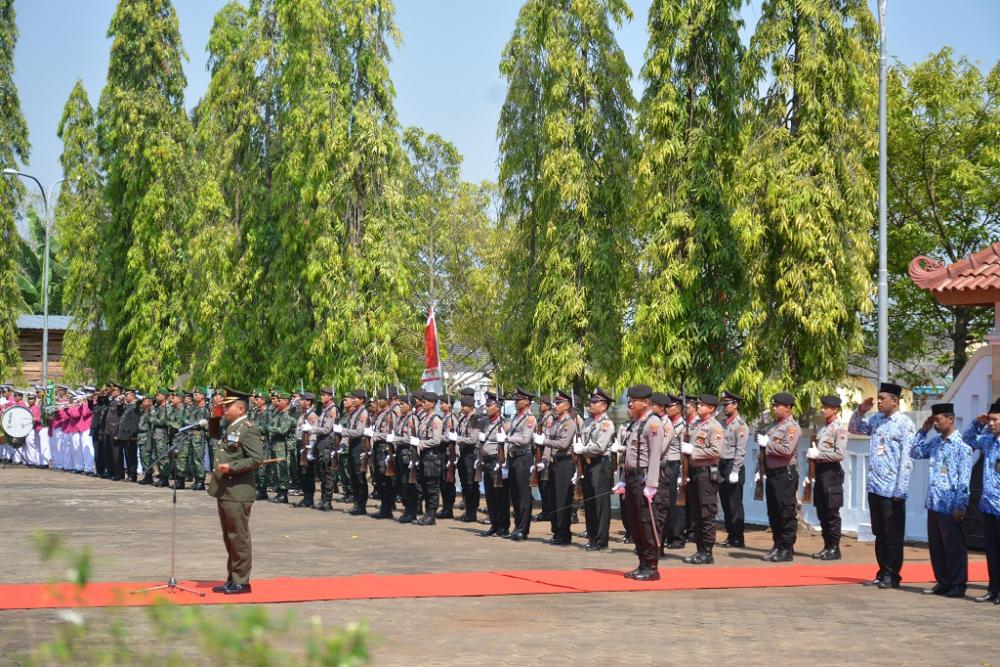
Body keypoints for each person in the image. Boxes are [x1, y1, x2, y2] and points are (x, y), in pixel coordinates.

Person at [849, 381, 916, 589]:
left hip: (892, 489)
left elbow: (907, 459)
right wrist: (860, 411)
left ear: (894, 401)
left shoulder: (905, 425)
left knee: (892, 534)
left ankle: (892, 575)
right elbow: (854, 428)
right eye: (878, 398)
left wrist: (900, 489)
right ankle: (881, 572)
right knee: (879, 533)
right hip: (875, 487)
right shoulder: (876, 420)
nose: (878, 402)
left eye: (882, 399)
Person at [910, 403, 973, 598]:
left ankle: (957, 584)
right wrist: (924, 430)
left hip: (951, 505)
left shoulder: (962, 446)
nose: (936, 423)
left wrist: (960, 505)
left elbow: (964, 479)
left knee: (955, 548)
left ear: (950, 419)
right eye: (934, 420)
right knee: (937, 548)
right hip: (934, 503)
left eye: (938, 420)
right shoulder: (936, 443)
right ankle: (943, 582)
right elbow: (915, 452)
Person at [209, 389, 263, 595]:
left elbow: (256, 458)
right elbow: (213, 432)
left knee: (238, 536)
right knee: (229, 536)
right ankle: (232, 578)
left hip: (238, 491)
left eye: (227, 405)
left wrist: (232, 468)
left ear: (240, 408)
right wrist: (215, 411)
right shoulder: (231, 425)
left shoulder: (248, 428)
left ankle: (242, 581)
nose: (224, 408)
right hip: (225, 490)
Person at [616, 385, 663, 580]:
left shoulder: (653, 424)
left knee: (646, 523)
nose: (631, 404)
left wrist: (651, 484)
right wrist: (622, 480)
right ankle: (642, 562)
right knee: (634, 523)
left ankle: (651, 566)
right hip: (633, 477)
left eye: (634, 401)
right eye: (630, 401)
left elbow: (654, 456)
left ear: (645, 402)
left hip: (644, 479)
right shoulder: (635, 423)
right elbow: (629, 456)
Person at [961, 399, 1000, 604]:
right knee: (992, 551)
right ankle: (993, 590)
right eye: (990, 420)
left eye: (994, 420)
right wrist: (978, 423)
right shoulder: (988, 440)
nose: (991, 424)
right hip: (988, 506)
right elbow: (966, 439)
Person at [682, 395, 723, 565]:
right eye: (698, 404)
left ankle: (707, 551)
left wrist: (693, 451)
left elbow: (715, 451)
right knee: (697, 513)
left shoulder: (715, 427)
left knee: (706, 513)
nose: (698, 407)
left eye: (702, 405)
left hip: (706, 474)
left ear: (711, 408)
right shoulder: (696, 425)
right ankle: (699, 549)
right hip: (694, 473)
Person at [808, 395, 849, 560]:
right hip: (821, 472)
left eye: (826, 407)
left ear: (835, 409)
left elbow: (840, 454)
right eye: (822, 406)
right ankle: (827, 546)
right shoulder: (823, 428)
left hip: (832, 473)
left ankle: (835, 548)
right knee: (822, 512)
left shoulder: (839, 429)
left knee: (832, 513)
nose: (822, 409)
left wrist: (820, 454)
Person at [577, 388, 614, 551]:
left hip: (601, 465)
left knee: (600, 504)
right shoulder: (587, 422)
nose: (590, 405)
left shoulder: (607, 424)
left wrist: (582, 449)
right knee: (590, 503)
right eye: (590, 402)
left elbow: (600, 446)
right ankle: (592, 537)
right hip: (588, 464)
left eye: (594, 402)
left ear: (604, 406)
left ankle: (601, 540)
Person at [542, 390, 578, 545]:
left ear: (567, 405)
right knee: (554, 498)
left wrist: (544, 441)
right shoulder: (556, 422)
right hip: (555, 462)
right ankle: (556, 531)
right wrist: (544, 459)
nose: (555, 406)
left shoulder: (570, 423)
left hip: (565, 463)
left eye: (558, 403)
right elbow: (550, 440)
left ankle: (564, 533)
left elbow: (563, 444)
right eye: (555, 403)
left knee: (563, 499)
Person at [505, 387, 537, 540]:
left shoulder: (529, 419)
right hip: (514, 457)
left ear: (527, 402)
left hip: (524, 458)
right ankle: (517, 526)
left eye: (519, 400)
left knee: (524, 495)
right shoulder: (516, 417)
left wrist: (507, 438)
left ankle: (523, 529)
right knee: (515, 494)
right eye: (516, 400)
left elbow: (525, 439)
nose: (516, 402)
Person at [718, 391, 748, 548]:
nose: (724, 407)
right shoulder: (723, 424)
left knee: (734, 504)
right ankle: (730, 535)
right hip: (722, 465)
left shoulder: (740, 426)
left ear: (735, 405)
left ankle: (738, 537)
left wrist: (735, 470)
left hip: (733, 465)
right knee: (725, 503)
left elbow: (740, 450)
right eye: (723, 404)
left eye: (727, 404)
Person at [478, 391, 510, 537]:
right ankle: (494, 524)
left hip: (497, 461)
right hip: (487, 461)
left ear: (497, 407)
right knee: (490, 496)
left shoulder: (504, 423)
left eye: (489, 405)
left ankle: (503, 527)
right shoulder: (485, 422)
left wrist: (503, 463)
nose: (486, 407)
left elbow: (507, 444)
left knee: (500, 496)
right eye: (486, 404)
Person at [412, 391, 443, 525]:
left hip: (432, 457)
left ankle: (431, 515)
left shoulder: (435, 419)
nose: (422, 403)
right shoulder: (424, 418)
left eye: (425, 402)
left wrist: (421, 443)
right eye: (422, 401)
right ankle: (427, 513)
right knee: (424, 486)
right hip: (424, 456)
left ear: (432, 404)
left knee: (431, 488)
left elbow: (436, 440)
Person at [339, 389, 370, 515]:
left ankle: (361, 506)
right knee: (353, 476)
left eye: (354, 398)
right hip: (353, 445)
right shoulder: (354, 413)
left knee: (359, 477)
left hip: (360, 446)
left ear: (361, 399)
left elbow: (358, 432)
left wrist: (343, 431)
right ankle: (356, 503)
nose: (352, 400)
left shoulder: (363, 413)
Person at [451, 394, 480, 522]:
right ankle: (468, 511)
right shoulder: (463, 419)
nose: (462, 408)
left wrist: (458, 439)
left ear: (471, 406)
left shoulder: (475, 419)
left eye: (464, 406)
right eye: (462, 406)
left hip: (471, 454)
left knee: (471, 484)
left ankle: (472, 512)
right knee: (464, 484)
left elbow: (473, 439)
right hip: (463, 454)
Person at [264, 391, 296, 504]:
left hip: (283, 446)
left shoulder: (288, 414)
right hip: (275, 445)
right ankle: (279, 491)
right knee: (275, 470)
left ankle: (283, 493)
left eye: (279, 400)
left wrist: (267, 428)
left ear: (286, 401)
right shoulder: (279, 413)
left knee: (282, 469)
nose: (277, 402)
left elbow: (283, 430)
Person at [294, 392, 318, 508]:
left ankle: (309, 498)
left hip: (307, 446)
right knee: (302, 472)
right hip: (301, 445)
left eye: (303, 400)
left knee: (308, 473)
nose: (300, 402)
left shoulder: (312, 415)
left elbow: (313, 434)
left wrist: (310, 449)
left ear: (308, 402)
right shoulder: (304, 414)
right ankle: (306, 497)